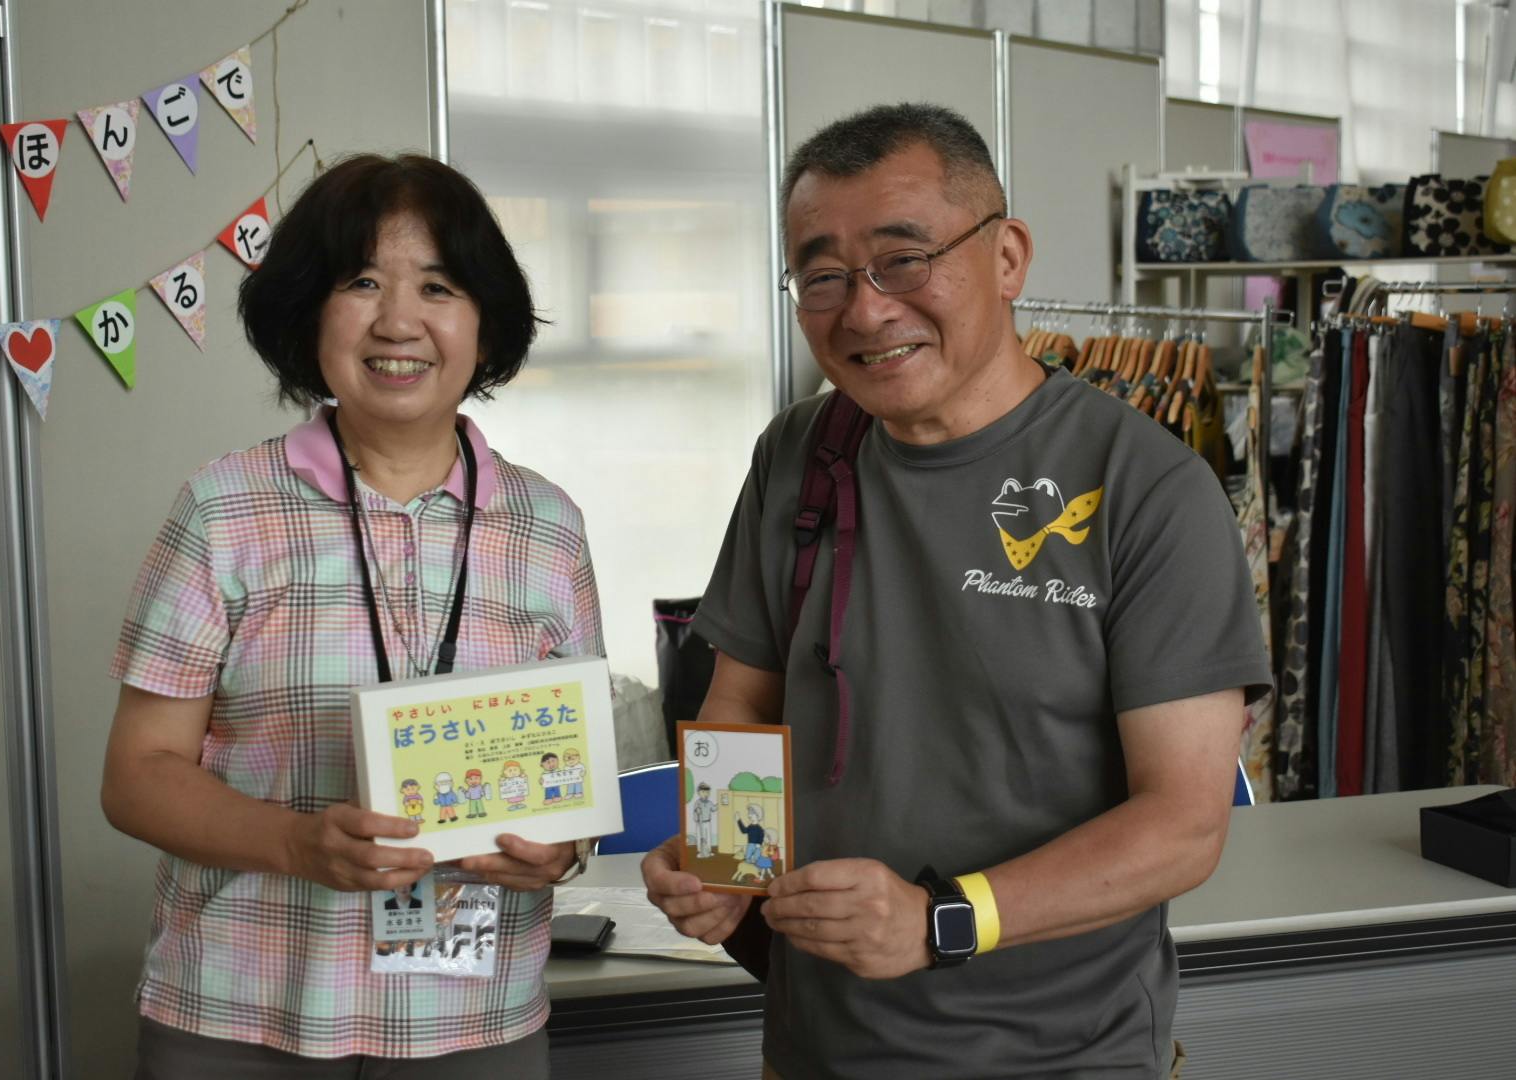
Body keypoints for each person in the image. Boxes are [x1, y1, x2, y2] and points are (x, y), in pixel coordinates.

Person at [640, 103, 1270, 1079]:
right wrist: (722, 865)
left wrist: (942, 919)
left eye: (903, 260)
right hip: (816, 1048)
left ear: (1007, 257)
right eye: (823, 277)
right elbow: (744, 704)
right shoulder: (800, 454)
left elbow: (1183, 825)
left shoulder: (1145, 487)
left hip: (1062, 1055)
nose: (864, 311)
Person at [101, 153, 602, 1077]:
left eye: (438, 287)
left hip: (475, 1022)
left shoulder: (549, 527)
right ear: (308, 313)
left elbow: (570, 781)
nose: (399, 321)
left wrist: (563, 848)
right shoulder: (224, 510)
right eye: (362, 282)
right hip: (242, 1015)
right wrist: (297, 843)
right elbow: (137, 776)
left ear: (485, 324)